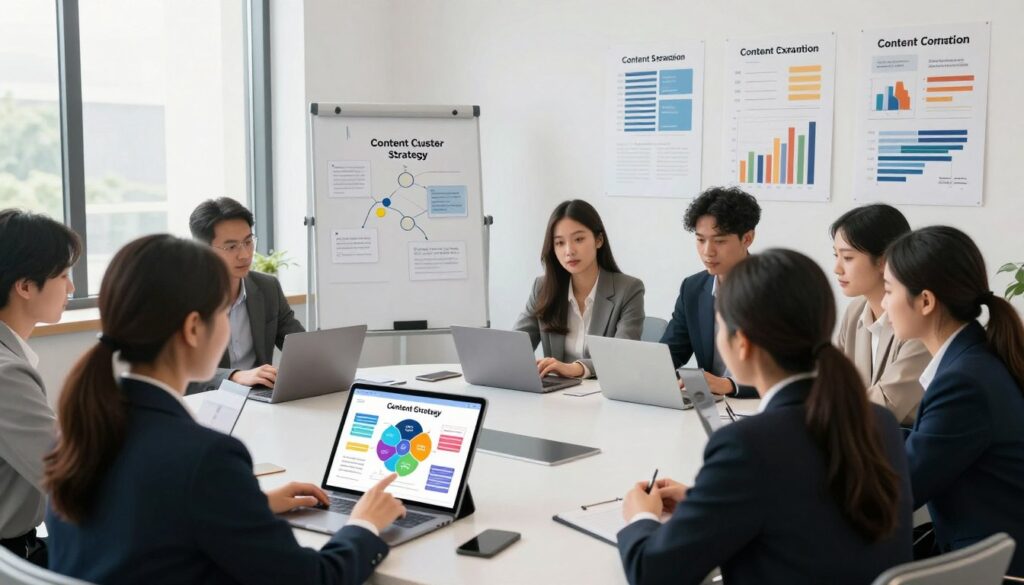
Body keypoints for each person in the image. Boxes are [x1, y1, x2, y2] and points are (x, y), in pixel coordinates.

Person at [44, 234, 406, 585]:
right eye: (222, 312)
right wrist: (364, 524)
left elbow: (149, 521)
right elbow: (314, 579)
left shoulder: (78, 430)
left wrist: (250, 506)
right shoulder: (206, 459)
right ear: (192, 328)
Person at [619, 249, 912, 585]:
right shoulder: (879, 421)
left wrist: (640, 517)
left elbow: (651, 573)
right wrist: (713, 503)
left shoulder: (748, 445)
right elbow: (808, 511)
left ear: (741, 343)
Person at [883, 226, 1024, 576]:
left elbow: (900, 491)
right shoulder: (974, 358)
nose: (884, 305)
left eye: (888, 290)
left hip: (992, 569)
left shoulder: (963, 382)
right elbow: (929, 442)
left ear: (926, 301)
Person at [0, 209, 80, 567]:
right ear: (25, 286)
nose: (72, 288)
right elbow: (69, 477)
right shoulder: (7, 374)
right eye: (63, 275)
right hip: (12, 556)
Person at [514, 199, 644, 378]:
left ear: (599, 240)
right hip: (555, 396)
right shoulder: (542, 287)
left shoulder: (629, 290)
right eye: (560, 243)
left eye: (579, 239)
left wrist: (576, 368)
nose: (569, 251)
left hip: (605, 396)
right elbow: (515, 346)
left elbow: (621, 355)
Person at [186, 197, 304, 394]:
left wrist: (326, 363)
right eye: (231, 247)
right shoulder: (181, 297)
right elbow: (179, 371)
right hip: (207, 402)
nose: (245, 254)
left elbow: (300, 347)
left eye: (248, 242)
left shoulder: (268, 288)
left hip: (259, 399)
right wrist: (235, 376)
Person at [831, 204, 929, 425]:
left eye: (847, 258)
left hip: (905, 445)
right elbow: (834, 382)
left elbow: (885, 407)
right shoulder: (856, 310)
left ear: (885, 259)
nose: (837, 268)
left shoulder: (918, 317)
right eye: (835, 255)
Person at [660, 187, 760, 397]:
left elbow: (791, 372)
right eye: (700, 240)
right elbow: (669, 354)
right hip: (711, 407)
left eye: (720, 241)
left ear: (747, 238)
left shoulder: (777, 288)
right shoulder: (693, 288)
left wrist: (729, 385)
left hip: (759, 409)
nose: (708, 251)